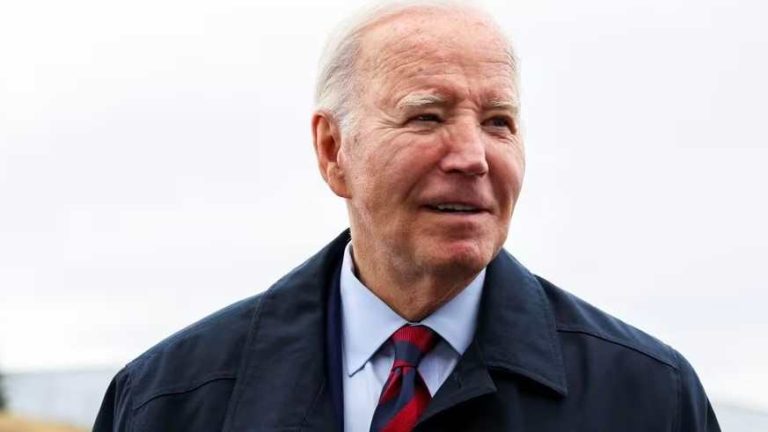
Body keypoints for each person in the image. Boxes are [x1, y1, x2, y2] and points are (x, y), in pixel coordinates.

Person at [94, 1, 720, 431]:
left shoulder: (648, 399)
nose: (474, 157)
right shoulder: (170, 401)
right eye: (428, 115)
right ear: (333, 150)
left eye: (498, 122)